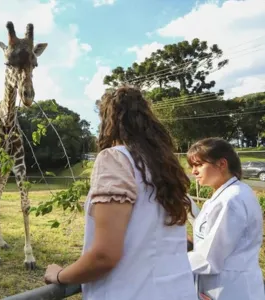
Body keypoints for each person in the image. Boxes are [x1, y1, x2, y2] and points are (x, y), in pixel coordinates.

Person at [43, 85, 197, 299]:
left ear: (109, 122)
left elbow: (105, 255)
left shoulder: (115, 159)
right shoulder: (165, 167)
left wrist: (60, 275)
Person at [186, 137, 264, 300]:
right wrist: (186, 204)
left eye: (199, 165)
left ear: (222, 164)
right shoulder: (229, 192)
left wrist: (167, 261)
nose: (193, 171)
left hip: (230, 289)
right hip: (224, 286)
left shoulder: (231, 200)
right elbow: (208, 225)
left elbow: (208, 259)